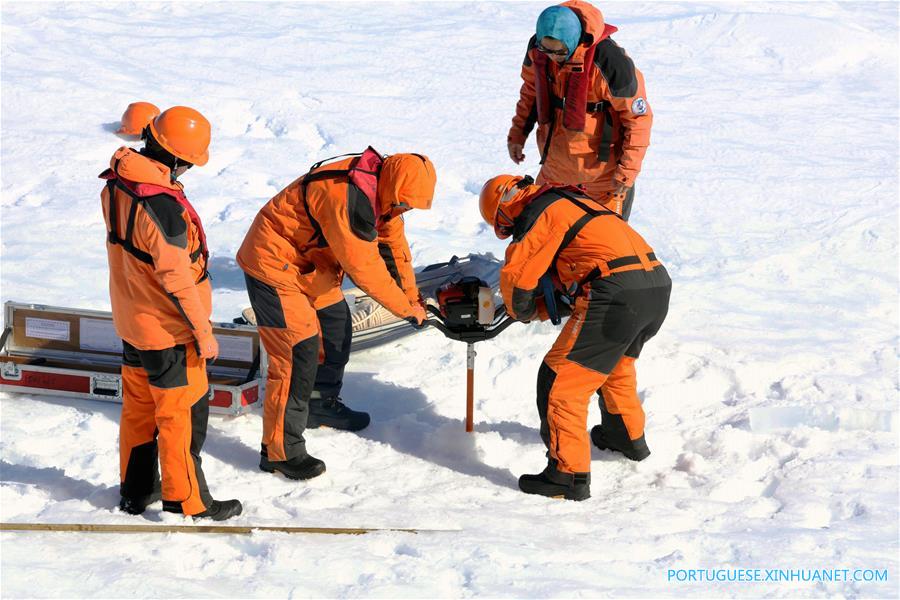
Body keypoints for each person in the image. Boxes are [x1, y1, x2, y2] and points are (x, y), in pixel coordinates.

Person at [236, 147, 434, 480]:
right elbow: (365, 268)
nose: (403, 210)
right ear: (393, 185)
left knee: (336, 327)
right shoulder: (345, 196)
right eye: (403, 203)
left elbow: (395, 252)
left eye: (408, 207)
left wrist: (414, 299)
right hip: (273, 264)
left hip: (312, 265)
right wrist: (405, 310)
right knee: (297, 353)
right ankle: (280, 452)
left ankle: (318, 404)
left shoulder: (382, 194)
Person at [479, 174, 671, 500]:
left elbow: (518, 276)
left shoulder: (540, 211)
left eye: (507, 228)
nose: (512, 233)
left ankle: (566, 476)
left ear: (505, 211)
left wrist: (519, 310)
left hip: (615, 292)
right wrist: (538, 308)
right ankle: (624, 437)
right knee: (613, 367)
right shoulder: (572, 201)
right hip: (654, 287)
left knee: (560, 380)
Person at [100, 106, 242, 520]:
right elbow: (177, 281)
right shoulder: (162, 209)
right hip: (168, 332)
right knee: (181, 417)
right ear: (178, 158)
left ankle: (135, 492)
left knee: (139, 411)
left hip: (131, 321)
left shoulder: (116, 184)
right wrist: (204, 334)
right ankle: (189, 501)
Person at [507, 1, 652, 220]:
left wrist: (627, 173)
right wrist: (518, 134)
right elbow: (530, 93)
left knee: (601, 245)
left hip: (602, 179)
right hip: (554, 169)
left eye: (559, 52)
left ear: (573, 41)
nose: (552, 57)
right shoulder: (538, 51)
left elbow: (638, 119)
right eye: (546, 50)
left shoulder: (611, 63)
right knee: (540, 232)